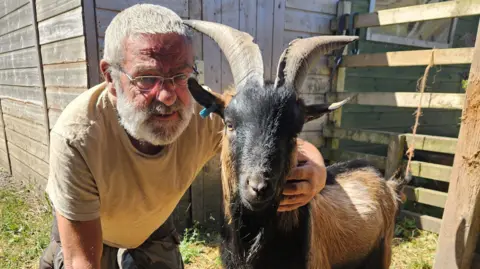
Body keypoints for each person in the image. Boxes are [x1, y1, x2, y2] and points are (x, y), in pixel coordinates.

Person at [39, 4, 327, 269]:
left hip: (151, 226)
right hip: (93, 226)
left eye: (180, 76)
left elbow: (275, 137)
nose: (166, 97)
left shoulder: (198, 118)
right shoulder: (77, 137)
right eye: (147, 78)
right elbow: (81, 260)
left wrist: (317, 170)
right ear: (111, 78)